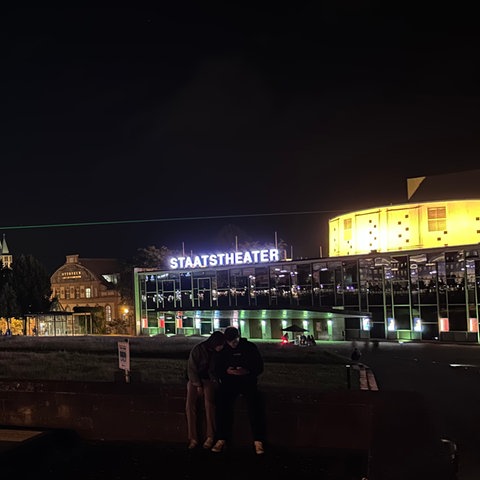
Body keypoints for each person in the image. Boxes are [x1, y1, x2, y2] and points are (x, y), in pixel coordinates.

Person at [211, 326, 266, 455]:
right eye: (230, 342)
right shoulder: (223, 350)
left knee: (254, 405)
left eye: (234, 341)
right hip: (229, 382)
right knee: (222, 404)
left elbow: (259, 366)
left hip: (247, 381)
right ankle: (221, 438)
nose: (232, 344)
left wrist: (247, 371)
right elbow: (217, 368)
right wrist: (227, 371)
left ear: (239, 337)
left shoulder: (250, 347)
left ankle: (258, 441)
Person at [185, 330, 225, 450]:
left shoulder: (219, 353)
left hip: (209, 380)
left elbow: (217, 370)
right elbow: (191, 368)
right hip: (195, 379)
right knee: (189, 405)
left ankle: (210, 436)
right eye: (220, 345)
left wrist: (215, 381)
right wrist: (197, 385)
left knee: (209, 404)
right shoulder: (198, 349)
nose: (221, 347)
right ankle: (193, 438)